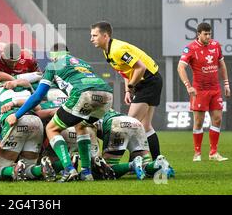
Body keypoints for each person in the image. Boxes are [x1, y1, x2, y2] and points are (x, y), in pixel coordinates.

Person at [5, 43, 113, 182]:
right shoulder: (83, 63)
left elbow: (37, 96)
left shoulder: (53, 65)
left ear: (53, 57)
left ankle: (69, 169)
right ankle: (86, 173)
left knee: (52, 128)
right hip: (107, 96)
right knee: (82, 126)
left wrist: (17, 114)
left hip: (83, 94)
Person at [90, 21, 162, 160]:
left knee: (130, 123)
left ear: (105, 36)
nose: (91, 39)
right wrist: (128, 91)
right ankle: (157, 160)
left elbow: (140, 68)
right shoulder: (107, 51)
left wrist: (131, 86)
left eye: (94, 35)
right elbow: (126, 71)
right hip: (148, 81)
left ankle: (135, 162)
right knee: (145, 126)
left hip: (149, 81)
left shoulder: (117, 49)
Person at [177, 22, 230, 162]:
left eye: (209, 34)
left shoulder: (216, 46)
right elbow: (180, 68)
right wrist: (188, 86)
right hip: (199, 91)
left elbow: (222, 65)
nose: (208, 36)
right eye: (205, 34)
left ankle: (213, 153)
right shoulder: (190, 49)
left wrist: (226, 84)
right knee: (199, 122)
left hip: (215, 89)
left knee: (217, 119)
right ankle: (197, 153)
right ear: (198, 34)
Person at [92, 109, 174, 180]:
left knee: (105, 169)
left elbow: (92, 142)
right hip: (136, 123)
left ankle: (132, 165)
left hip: (117, 124)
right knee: (144, 166)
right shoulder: (102, 105)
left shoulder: (85, 115)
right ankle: (159, 163)